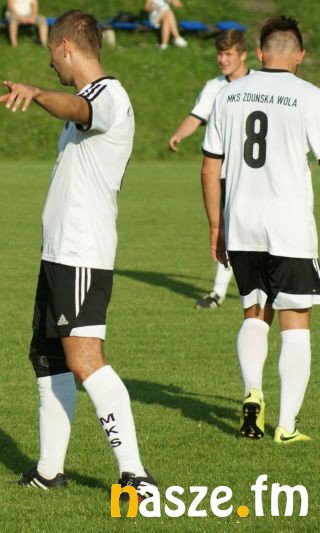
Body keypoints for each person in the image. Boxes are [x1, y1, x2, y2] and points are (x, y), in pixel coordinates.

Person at [0, 10, 156, 495]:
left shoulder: (108, 95)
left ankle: (136, 475)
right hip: (59, 253)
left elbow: (77, 108)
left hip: (82, 252)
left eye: (51, 51)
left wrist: (38, 94)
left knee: (85, 358)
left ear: (66, 46)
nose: (50, 62)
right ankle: (49, 472)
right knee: (48, 360)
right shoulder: (90, 99)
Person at [201, 16, 320, 444]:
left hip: (242, 223)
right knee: (296, 323)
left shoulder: (228, 94)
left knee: (254, 312)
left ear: (259, 52)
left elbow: (209, 167)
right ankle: (286, 426)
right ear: (300, 55)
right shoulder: (309, 96)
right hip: (289, 227)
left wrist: (216, 225)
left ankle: (253, 391)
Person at [168, 29, 252, 309]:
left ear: (243, 55)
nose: (222, 59)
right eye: (219, 53)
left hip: (257, 172)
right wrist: (179, 134)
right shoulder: (214, 86)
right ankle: (218, 292)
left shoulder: (259, 83)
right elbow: (196, 117)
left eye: (228, 54)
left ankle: (267, 287)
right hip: (225, 173)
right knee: (227, 231)